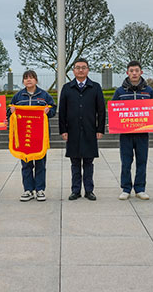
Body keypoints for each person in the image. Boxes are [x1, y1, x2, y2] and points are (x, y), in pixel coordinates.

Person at [59, 58, 106, 201]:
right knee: (74, 163)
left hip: (89, 130)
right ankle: (75, 190)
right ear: (73, 70)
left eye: (83, 67)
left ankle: (89, 190)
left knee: (88, 163)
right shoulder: (67, 88)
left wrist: (100, 129)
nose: (80, 70)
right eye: (78, 67)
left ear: (88, 70)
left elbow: (101, 110)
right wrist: (63, 130)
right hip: (72, 131)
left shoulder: (95, 87)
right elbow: (62, 111)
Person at [9, 70, 55, 202]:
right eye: (26, 78)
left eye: (31, 78)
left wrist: (48, 110)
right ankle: (28, 190)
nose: (28, 80)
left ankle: (40, 189)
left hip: (40, 136)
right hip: (24, 137)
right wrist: (11, 111)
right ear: (23, 81)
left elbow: (53, 110)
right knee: (26, 165)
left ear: (36, 80)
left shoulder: (44, 96)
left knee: (40, 164)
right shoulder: (18, 96)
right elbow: (9, 112)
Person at [112, 60, 153, 200]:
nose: (134, 73)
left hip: (142, 133)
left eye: (137, 71)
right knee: (126, 162)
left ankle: (140, 189)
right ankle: (126, 189)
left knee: (142, 161)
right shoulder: (120, 92)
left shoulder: (148, 91)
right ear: (127, 73)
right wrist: (113, 122)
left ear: (141, 72)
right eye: (131, 71)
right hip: (125, 134)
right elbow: (114, 110)